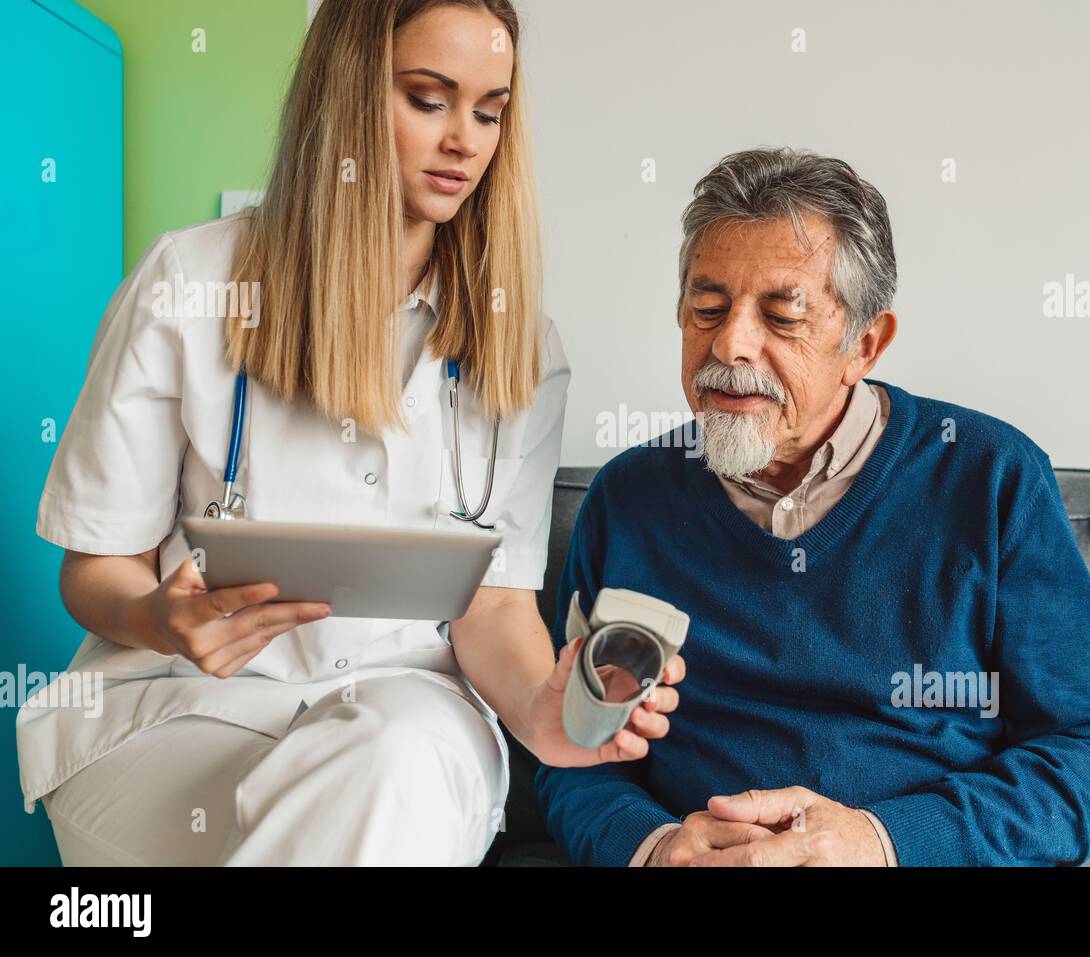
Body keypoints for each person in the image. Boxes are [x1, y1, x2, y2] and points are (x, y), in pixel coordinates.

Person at [17, 0, 682, 867]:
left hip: (403, 712)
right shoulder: (190, 282)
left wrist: (545, 710)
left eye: (489, 111)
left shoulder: (518, 343)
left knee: (391, 766)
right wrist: (161, 617)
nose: (465, 142)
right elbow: (94, 569)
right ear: (346, 95)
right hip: (181, 712)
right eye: (428, 98)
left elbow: (493, 603)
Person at [535, 146, 1090, 867]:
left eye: (782, 315)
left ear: (864, 343)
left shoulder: (991, 478)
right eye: (708, 307)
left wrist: (886, 841)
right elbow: (575, 749)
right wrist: (652, 847)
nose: (731, 342)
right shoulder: (630, 498)